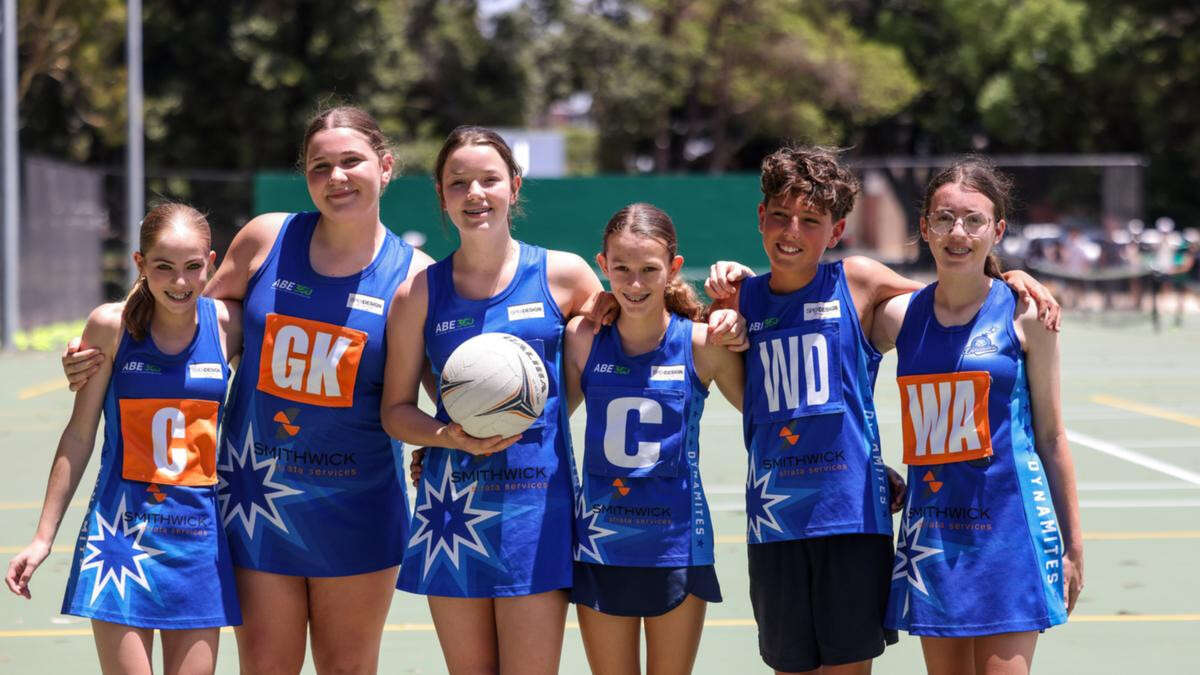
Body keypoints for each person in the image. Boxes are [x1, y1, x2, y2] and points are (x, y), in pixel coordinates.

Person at [60, 105, 435, 674]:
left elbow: (448, 387)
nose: (336, 177)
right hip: (256, 501)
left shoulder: (415, 278)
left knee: (348, 668)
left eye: (351, 162)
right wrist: (103, 350)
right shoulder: (267, 239)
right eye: (319, 166)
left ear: (384, 167)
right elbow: (186, 315)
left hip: (358, 507)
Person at [703, 146, 1059, 675]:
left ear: (837, 229)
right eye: (780, 215)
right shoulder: (741, 300)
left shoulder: (858, 280)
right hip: (775, 518)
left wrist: (1010, 277)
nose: (792, 230)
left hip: (852, 518)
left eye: (810, 220)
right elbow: (746, 396)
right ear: (760, 217)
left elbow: (953, 304)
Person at [380, 125, 606, 674]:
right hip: (452, 511)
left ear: (515, 186)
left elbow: (632, 335)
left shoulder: (565, 275)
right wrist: (445, 436)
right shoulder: (420, 293)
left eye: (489, 179)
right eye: (458, 182)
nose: (474, 193)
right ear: (441, 195)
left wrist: (719, 302)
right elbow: (395, 410)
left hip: (538, 506)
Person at [6, 203, 241, 674]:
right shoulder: (111, 327)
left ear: (211, 262)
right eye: (164, 267)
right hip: (120, 539)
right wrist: (42, 537)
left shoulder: (229, 326)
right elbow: (78, 434)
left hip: (199, 542)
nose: (180, 282)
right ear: (140, 264)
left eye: (194, 267)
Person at [871, 159, 1083, 675]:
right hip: (933, 535)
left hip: (1010, 531)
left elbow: (1052, 436)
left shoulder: (1025, 314)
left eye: (973, 221)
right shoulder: (898, 316)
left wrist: (1074, 546)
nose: (957, 233)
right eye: (943, 219)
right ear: (924, 228)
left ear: (997, 230)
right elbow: (834, 377)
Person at [562, 203, 745, 674]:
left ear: (674, 269)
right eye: (621, 268)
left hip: (676, 544)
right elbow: (544, 422)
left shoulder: (703, 344)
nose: (635, 283)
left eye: (649, 270)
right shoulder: (583, 338)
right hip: (602, 543)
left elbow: (765, 413)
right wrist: (444, 445)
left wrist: (746, 308)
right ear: (602, 265)